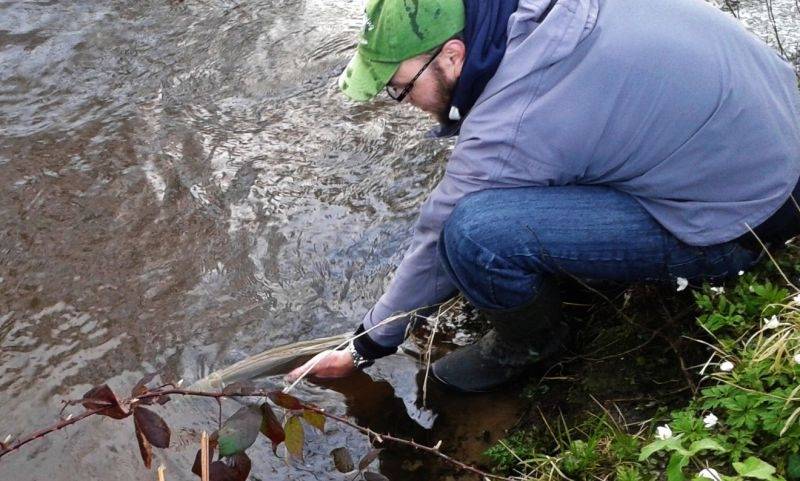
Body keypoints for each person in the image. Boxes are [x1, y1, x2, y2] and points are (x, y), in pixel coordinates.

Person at [286, 0, 800, 392]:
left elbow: (438, 234)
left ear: (452, 55)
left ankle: (531, 344)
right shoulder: (536, 17)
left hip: (746, 220)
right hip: (782, 128)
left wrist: (366, 344)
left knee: (475, 233)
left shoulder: (518, 116)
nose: (402, 103)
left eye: (401, 88)